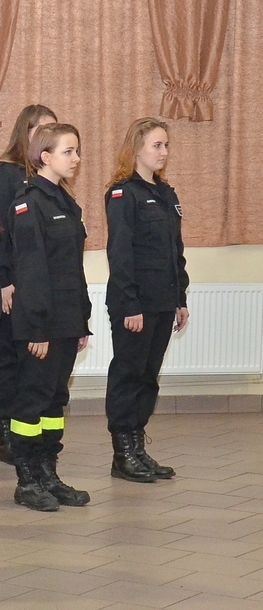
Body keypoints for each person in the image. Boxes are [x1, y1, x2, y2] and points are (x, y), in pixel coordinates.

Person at [8, 123, 92, 512]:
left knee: (56, 399)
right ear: (45, 156)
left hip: (66, 320)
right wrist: (37, 327)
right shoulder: (29, 203)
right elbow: (30, 271)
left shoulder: (65, 201)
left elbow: (72, 268)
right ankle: (27, 480)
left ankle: (47, 474)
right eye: (68, 151)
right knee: (32, 400)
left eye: (77, 151)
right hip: (40, 323)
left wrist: (81, 320)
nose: (76, 159)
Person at [104, 117, 189, 482]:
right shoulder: (124, 194)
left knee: (149, 378)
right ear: (137, 147)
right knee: (129, 374)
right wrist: (130, 304)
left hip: (163, 300)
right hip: (135, 304)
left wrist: (180, 298)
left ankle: (138, 448)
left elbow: (174, 252)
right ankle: (122, 453)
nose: (164, 152)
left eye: (166, 145)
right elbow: (120, 254)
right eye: (157, 145)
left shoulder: (166, 194)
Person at [0, 104, 56, 463]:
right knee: (7, 359)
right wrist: (3, 280)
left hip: (34, 284)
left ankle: (25, 430)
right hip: (10, 284)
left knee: (31, 361)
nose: (47, 136)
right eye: (41, 129)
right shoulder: (4, 172)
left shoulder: (42, 175)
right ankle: (6, 436)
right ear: (24, 132)